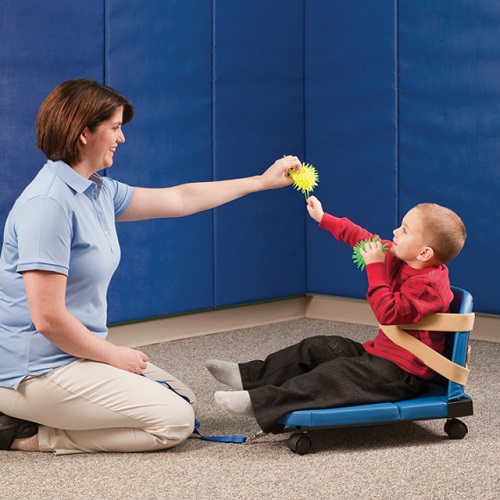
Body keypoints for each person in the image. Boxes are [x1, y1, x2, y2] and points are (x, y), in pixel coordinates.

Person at [0, 78, 302, 454]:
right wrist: (113, 356)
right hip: (33, 370)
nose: (121, 138)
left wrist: (259, 182)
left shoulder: (97, 191)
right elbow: (47, 319)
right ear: (83, 134)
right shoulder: (47, 206)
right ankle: (25, 434)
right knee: (172, 423)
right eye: (114, 128)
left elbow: (178, 198)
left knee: (185, 402)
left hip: (74, 355)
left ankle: (50, 415)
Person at [207, 195, 467, 433]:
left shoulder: (430, 286)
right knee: (317, 347)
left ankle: (261, 402)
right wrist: (324, 218)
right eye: (400, 226)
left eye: (405, 230)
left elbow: (388, 312)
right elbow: (362, 238)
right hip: (378, 354)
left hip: (402, 374)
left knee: (335, 374)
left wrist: (375, 267)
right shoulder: (402, 256)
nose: (395, 232)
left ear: (424, 253)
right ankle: (249, 377)